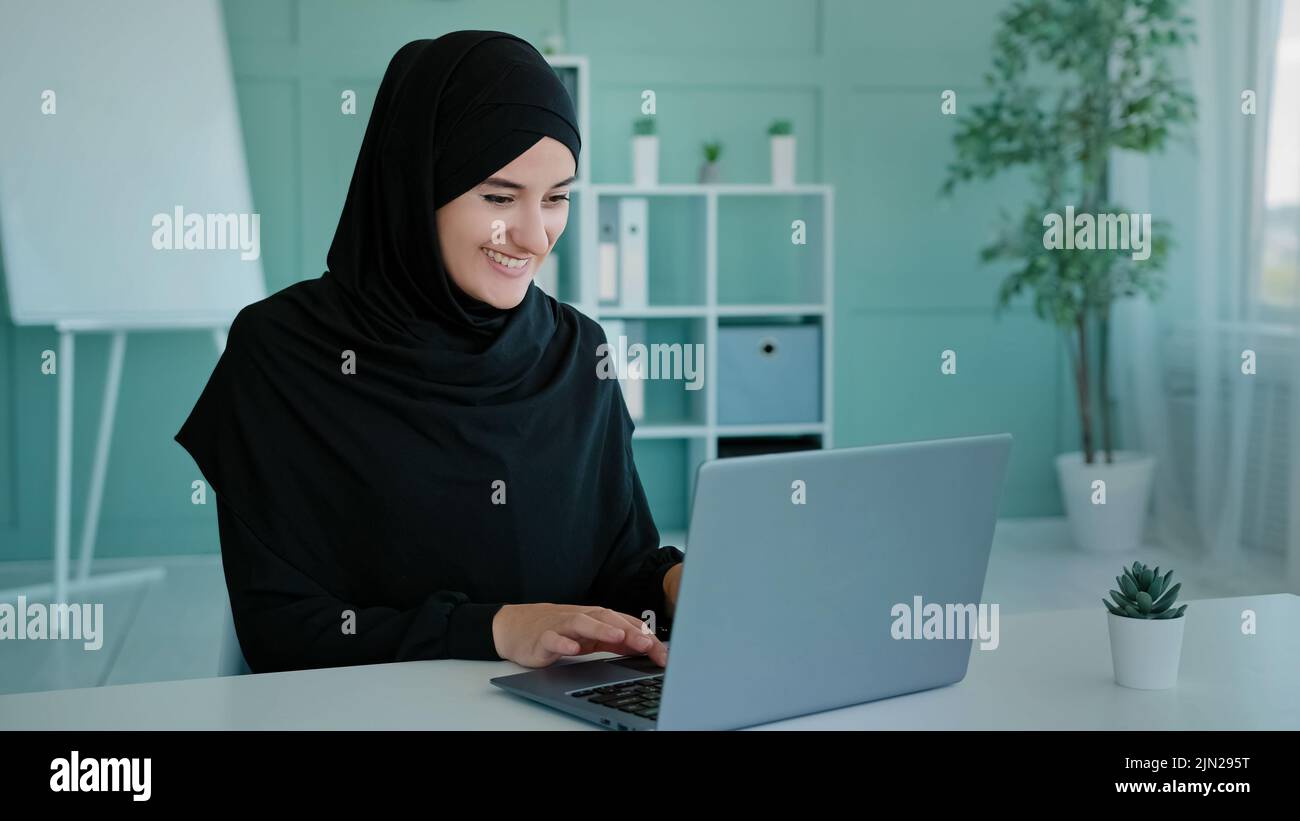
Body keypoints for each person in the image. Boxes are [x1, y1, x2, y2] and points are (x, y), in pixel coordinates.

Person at [175, 31, 683, 674]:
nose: (533, 236)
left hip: (564, 710)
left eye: (556, 198)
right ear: (417, 187)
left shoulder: (577, 351)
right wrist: (494, 629)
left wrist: (675, 584)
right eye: (499, 197)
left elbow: (619, 571)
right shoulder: (281, 355)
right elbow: (282, 632)